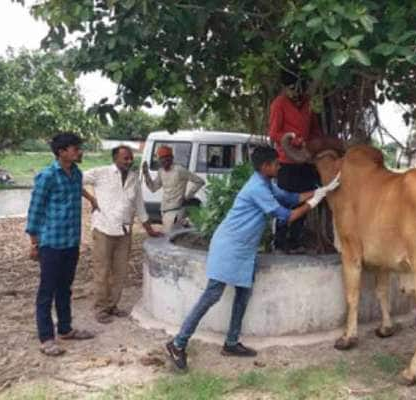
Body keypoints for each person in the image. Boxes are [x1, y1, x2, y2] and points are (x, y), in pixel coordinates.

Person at [164, 146, 340, 370]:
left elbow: (291, 197)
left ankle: (231, 342)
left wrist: (322, 190)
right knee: (212, 294)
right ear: (265, 166)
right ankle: (178, 343)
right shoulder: (257, 188)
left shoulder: (266, 183)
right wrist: (315, 201)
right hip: (229, 247)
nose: (279, 166)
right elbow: (286, 216)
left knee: (243, 294)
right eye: (276, 163)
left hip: (244, 249)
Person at [25, 133, 95, 356]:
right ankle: (46, 338)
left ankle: (65, 329)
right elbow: (35, 211)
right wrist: (34, 243)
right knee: (47, 291)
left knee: (65, 288)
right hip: (51, 244)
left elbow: (77, 195)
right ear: (61, 152)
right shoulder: (47, 176)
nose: (79, 151)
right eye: (75, 148)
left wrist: (93, 200)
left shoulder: (76, 174)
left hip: (71, 242)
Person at [83, 146, 163, 324]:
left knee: (120, 271)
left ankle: (112, 305)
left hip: (125, 231)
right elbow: (74, 179)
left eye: (130, 158)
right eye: (125, 158)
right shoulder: (101, 173)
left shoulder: (135, 178)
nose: (129, 161)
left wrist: (149, 230)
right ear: (115, 158)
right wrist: (91, 199)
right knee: (102, 271)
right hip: (103, 228)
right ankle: (101, 308)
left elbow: (139, 206)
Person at [268, 70, 324, 253]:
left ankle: (295, 242)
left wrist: (314, 144)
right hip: (286, 162)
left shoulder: (307, 103)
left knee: (303, 204)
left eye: (300, 88)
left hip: (306, 161)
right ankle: (279, 243)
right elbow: (273, 133)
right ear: (286, 88)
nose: (296, 92)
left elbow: (315, 129)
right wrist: (291, 140)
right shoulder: (279, 103)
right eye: (292, 89)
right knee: (285, 204)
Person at [142, 145, 205, 233]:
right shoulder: (161, 171)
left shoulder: (180, 170)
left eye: (167, 158)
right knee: (172, 236)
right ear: (159, 160)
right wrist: (146, 175)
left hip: (175, 210)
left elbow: (200, 181)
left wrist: (188, 196)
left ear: (172, 158)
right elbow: (153, 188)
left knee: (168, 237)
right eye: (162, 158)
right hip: (164, 210)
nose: (164, 161)